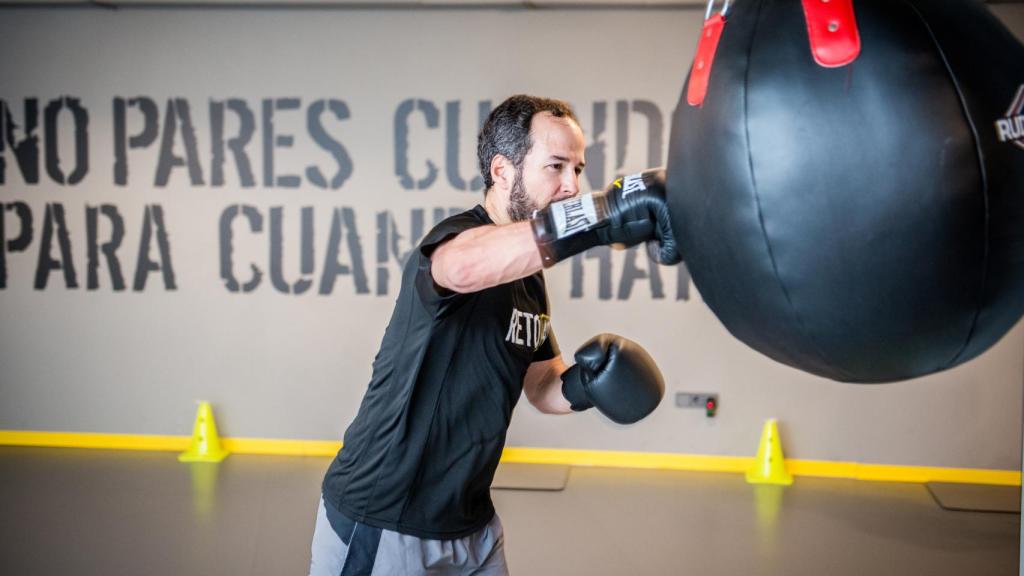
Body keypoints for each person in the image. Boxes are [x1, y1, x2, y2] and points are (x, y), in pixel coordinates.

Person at [309, 94, 679, 576]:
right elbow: (462, 267)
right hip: (386, 516)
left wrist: (587, 384)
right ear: (503, 171)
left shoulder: (529, 278)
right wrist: (600, 213)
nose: (572, 185)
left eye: (579, 169)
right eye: (556, 166)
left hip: (471, 523)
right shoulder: (456, 241)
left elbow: (541, 383)